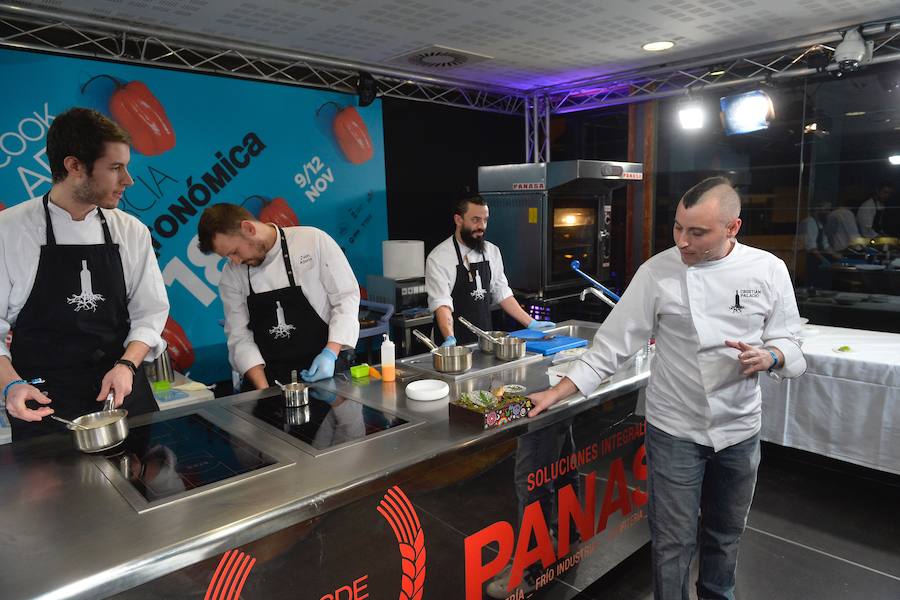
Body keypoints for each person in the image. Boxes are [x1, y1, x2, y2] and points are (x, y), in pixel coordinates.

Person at [529, 177, 806, 600]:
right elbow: (611, 347)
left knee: (725, 534)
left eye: (698, 232)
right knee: (672, 543)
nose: (683, 242)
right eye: (678, 227)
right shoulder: (657, 272)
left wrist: (772, 357)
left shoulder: (767, 269)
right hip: (675, 428)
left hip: (739, 428)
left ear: (733, 227)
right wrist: (555, 393)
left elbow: (789, 339)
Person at [0, 107, 169, 440]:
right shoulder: (9, 231)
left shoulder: (130, 230)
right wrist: (11, 384)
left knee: (141, 485)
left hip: (121, 391)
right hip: (45, 403)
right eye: (115, 168)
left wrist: (127, 365)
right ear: (74, 166)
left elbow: (150, 312)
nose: (128, 180)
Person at [197, 203, 359, 389]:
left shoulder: (313, 241)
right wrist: (265, 393)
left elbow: (346, 298)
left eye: (235, 252)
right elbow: (239, 336)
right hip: (269, 378)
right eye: (228, 257)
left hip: (327, 368)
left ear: (248, 228)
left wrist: (330, 353)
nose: (236, 261)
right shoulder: (232, 274)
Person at [425, 194, 554, 347]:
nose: (482, 226)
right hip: (452, 342)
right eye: (475, 220)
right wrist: (449, 338)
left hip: (486, 339)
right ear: (458, 220)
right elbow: (442, 304)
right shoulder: (439, 257)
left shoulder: (492, 251)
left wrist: (531, 323)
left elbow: (502, 293)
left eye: (485, 220)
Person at [799, 203, 840, 288]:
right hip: (811, 260)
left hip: (819, 261)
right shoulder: (809, 222)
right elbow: (811, 248)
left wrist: (840, 258)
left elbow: (825, 245)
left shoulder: (821, 224)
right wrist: (824, 260)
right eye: (826, 210)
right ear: (817, 209)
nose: (828, 213)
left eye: (829, 210)